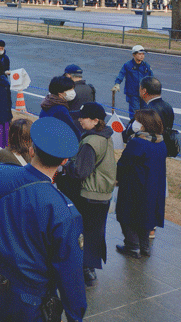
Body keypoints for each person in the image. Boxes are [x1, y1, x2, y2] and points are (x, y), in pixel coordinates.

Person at [0, 117, 86, 322]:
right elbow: (70, 274)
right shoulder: (64, 211)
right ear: (64, 161)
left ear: (31, 150)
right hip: (33, 294)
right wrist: (75, 315)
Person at [61, 102, 115, 288]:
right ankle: (90, 269)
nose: (79, 120)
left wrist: (65, 166)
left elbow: (80, 171)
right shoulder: (106, 137)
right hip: (103, 194)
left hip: (89, 194)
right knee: (96, 231)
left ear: (95, 120)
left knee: (84, 232)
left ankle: (85, 270)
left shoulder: (90, 142)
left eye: (83, 117)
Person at [115, 109, 166, 259]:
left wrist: (118, 177)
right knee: (147, 214)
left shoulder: (137, 142)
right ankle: (144, 246)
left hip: (134, 185)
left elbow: (124, 163)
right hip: (154, 185)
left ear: (144, 124)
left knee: (127, 214)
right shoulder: (160, 141)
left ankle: (131, 245)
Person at [126, 76, 177, 157]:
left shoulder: (147, 110)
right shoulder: (168, 106)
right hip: (163, 148)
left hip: (148, 150)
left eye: (140, 88)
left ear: (144, 91)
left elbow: (133, 129)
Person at [113, 45, 153, 118]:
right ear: (134, 54)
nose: (142, 56)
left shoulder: (146, 66)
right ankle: (133, 128)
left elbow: (151, 78)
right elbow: (121, 74)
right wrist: (117, 83)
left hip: (144, 93)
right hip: (133, 93)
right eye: (139, 54)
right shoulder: (128, 65)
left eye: (143, 54)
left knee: (145, 113)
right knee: (135, 114)